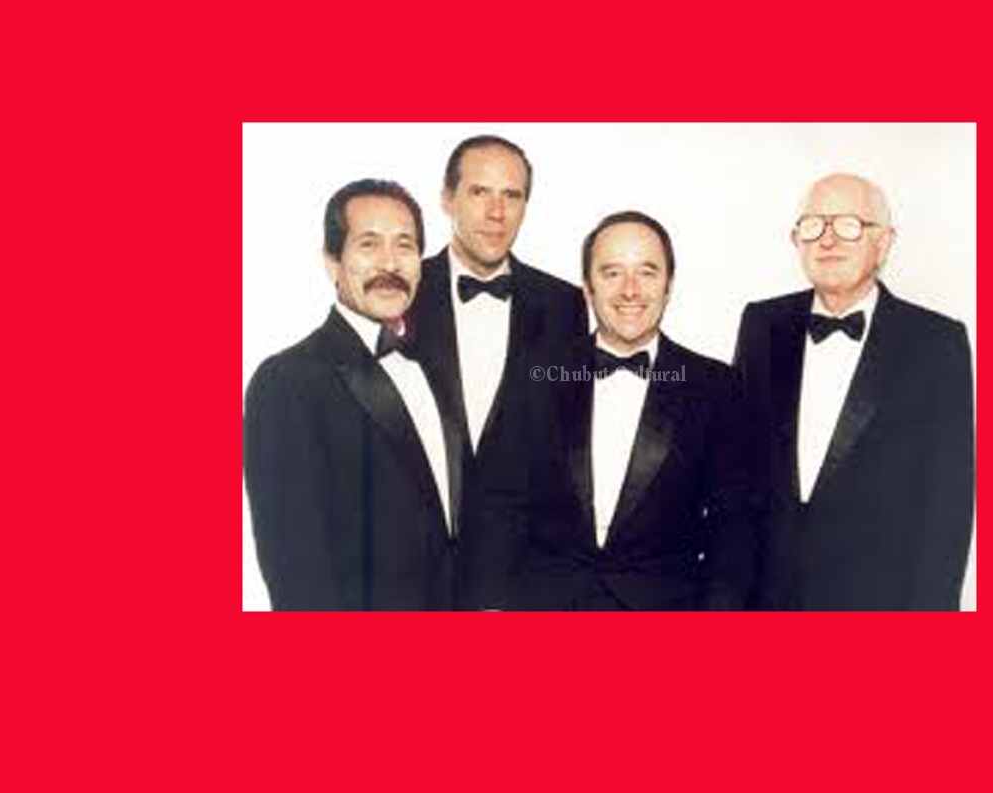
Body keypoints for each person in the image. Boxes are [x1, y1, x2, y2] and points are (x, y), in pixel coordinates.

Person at [734, 173, 975, 611]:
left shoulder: (936, 342)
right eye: (813, 225)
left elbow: (947, 506)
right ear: (796, 241)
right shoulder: (761, 324)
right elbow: (737, 477)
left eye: (848, 225)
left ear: (883, 242)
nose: (827, 239)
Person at [512, 211, 758, 610]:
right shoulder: (537, 374)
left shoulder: (717, 387)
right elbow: (501, 500)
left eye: (647, 272)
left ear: (669, 285)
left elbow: (733, 525)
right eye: (612, 273)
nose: (630, 290)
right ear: (588, 287)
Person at [244, 179, 466, 610]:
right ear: (332, 262)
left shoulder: (437, 366)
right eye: (369, 244)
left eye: (405, 245)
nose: (390, 262)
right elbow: (297, 576)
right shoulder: (286, 382)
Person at [412, 135, 588, 608]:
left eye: (512, 195)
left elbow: (567, 447)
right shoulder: (401, 293)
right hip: (411, 573)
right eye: (479, 192)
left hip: (523, 580)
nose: (497, 212)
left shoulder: (565, 305)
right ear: (446, 198)